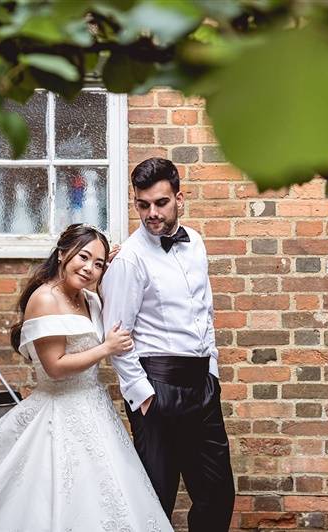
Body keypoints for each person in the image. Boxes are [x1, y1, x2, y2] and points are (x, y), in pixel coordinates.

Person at [0, 223, 173, 532]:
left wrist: (112, 271)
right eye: (84, 257)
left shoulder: (89, 299)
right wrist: (106, 348)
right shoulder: (45, 299)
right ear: (63, 254)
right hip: (58, 408)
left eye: (99, 264)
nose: (90, 268)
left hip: (94, 406)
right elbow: (55, 366)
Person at [102, 158, 235, 531]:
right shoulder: (128, 259)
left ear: (180, 198)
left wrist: (213, 372)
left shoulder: (196, 243)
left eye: (160, 203)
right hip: (156, 388)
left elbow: (204, 311)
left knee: (217, 492)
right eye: (142, 205)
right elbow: (116, 334)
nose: (151, 214)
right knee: (156, 498)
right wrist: (143, 396)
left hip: (202, 386)